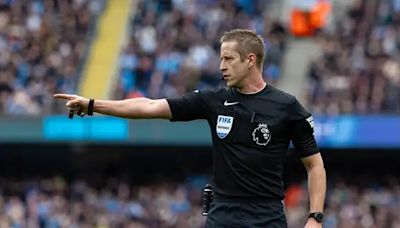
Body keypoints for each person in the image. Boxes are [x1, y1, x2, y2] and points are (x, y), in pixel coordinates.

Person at [54, 29, 326, 228]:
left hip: (267, 215)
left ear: (251, 60)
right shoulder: (213, 100)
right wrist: (92, 105)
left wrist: (315, 217)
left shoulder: (286, 106)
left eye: (229, 59)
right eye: (221, 59)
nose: (222, 66)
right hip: (223, 213)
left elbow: (315, 166)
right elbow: (149, 107)